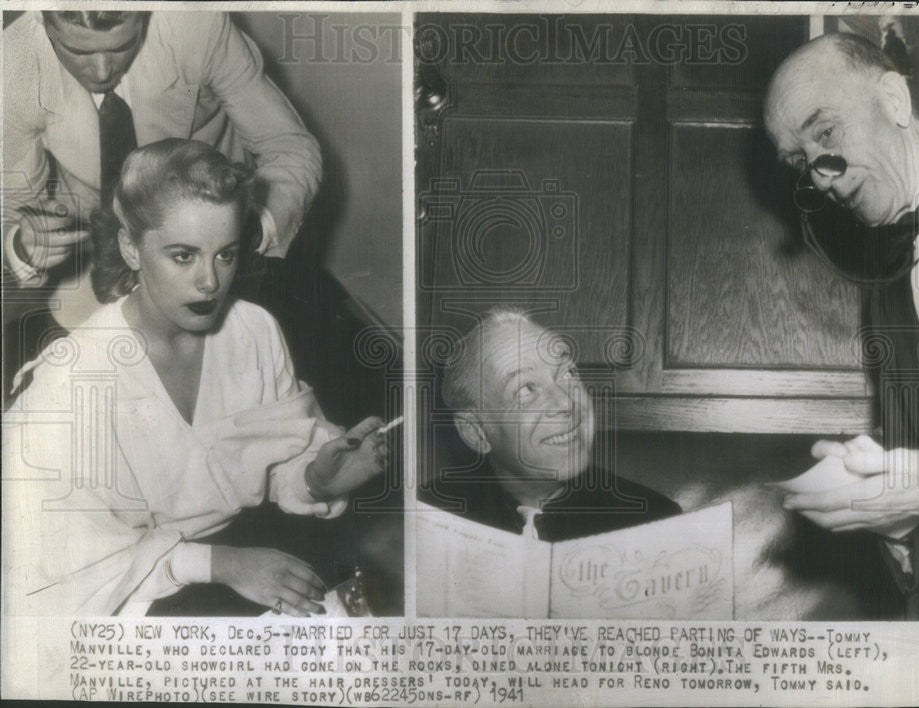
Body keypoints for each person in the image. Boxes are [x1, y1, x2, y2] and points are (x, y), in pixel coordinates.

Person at [1, 140, 382, 617]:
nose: (209, 282)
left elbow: (274, 464)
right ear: (131, 248)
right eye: (183, 256)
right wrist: (221, 565)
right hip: (126, 590)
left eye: (225, 255)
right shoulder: (74, 380)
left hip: (248, 548)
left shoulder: (253, 331)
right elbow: (62, 559)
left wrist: (317, 478)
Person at [763, 33, 919, 618]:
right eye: (800, 162)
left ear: (893, 99)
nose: (819, 177)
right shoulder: (887, 277)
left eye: (827, 134)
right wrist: (888, 494)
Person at [2, 10, 321, 390]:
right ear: (43, 21)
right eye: (77, 51)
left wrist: (248, 232)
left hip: (216, 246)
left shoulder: (196, 24)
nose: (103, 71)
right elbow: (13, 201)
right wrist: (20, 243)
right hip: (91, 255)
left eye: (122, 46)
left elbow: (289, 149)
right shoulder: (14, 62)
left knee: (237, 388)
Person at [420, 308, 681, 541]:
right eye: (525, 389)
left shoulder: (655, 521)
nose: (566, 403)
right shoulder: (425, 517)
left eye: (568, 373)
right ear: (476, 432)